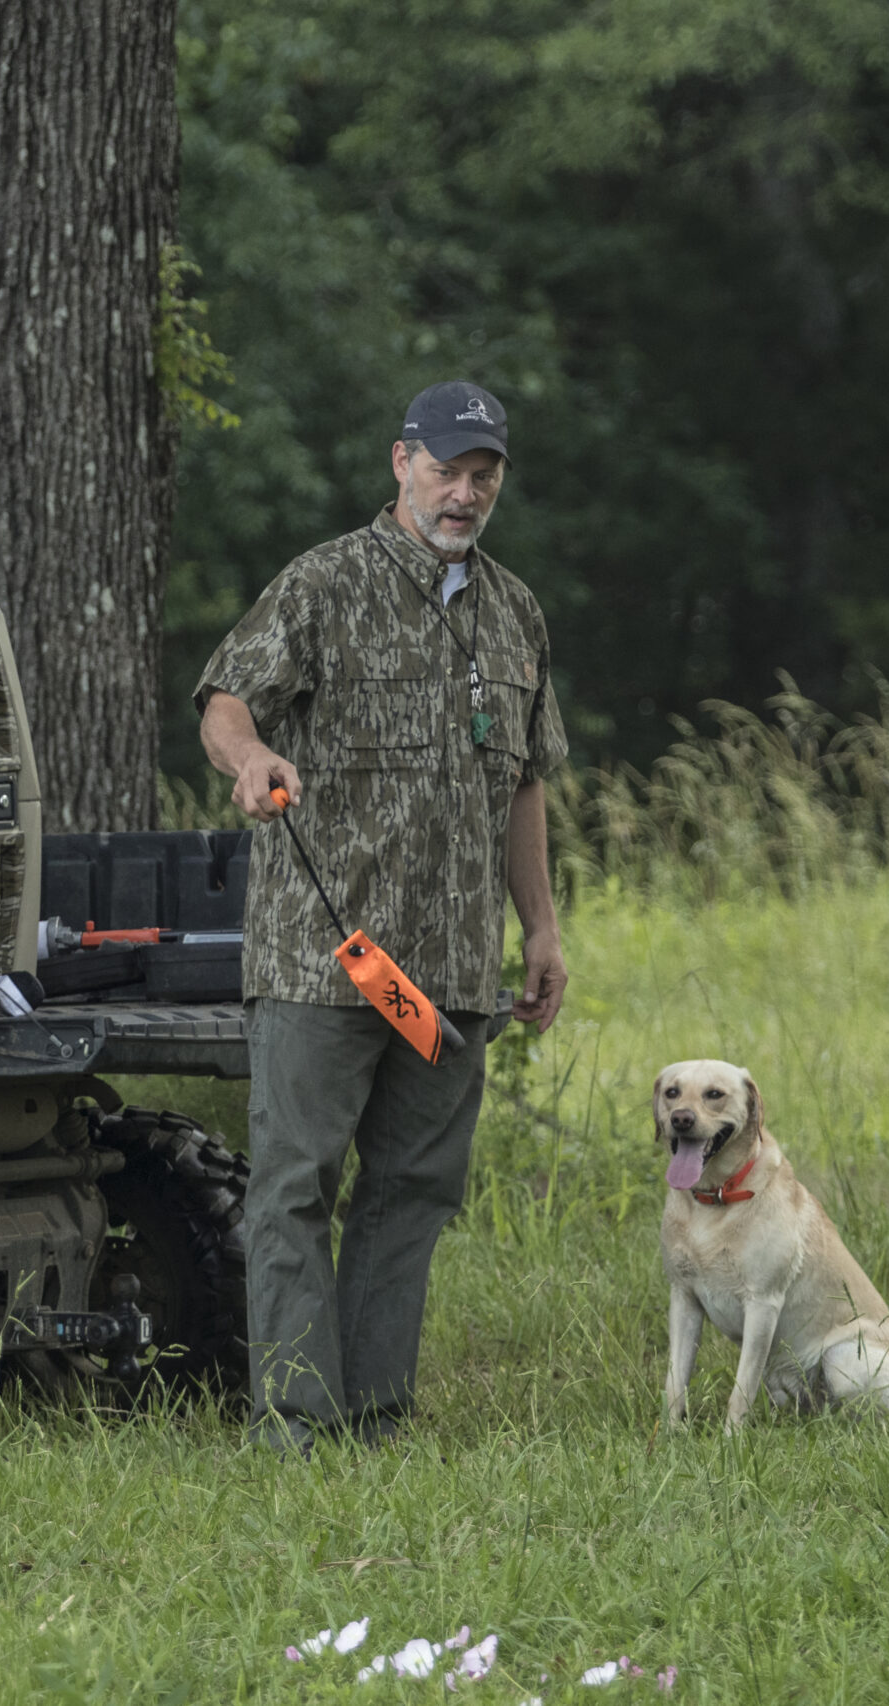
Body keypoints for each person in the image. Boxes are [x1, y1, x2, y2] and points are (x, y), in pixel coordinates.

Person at [194, 380, 569, 1451]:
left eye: (481, 477)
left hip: (451, 968)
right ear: (399, 462)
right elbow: (225, 699)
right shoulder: (324, 583)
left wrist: (538, 926)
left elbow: (526, 780)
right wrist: (253, 753)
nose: (462, 494)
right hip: (325, 961)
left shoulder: (514, 608)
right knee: (293, 1189)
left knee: (411, 1189)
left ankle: (374, 1415)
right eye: (445, 471)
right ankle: (296, 1424)